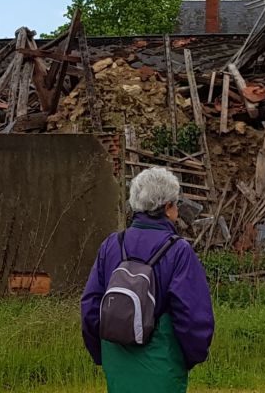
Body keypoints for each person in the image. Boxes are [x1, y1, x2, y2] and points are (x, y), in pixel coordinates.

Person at [81, 167, 216, 393]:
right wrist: (190, 357)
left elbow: (90, 307)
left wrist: (102, 353)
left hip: (117, 359)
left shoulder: (112, 245)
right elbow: (192, 316)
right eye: (176, 205)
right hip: (162, 362)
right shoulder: (179, 251)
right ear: (167, 208)